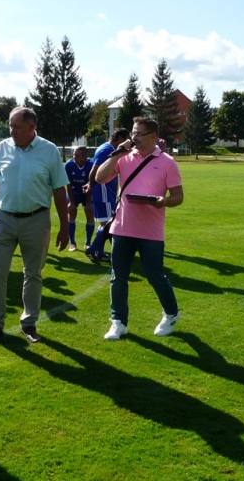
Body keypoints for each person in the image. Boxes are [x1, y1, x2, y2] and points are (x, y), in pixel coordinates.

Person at [0, 107, 69, 346]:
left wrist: (65, 227)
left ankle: (29, 323)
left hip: (37, 221)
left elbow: (60, 190)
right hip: (4, 219)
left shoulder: (49, 151)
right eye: (10, 125)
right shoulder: (2, 148)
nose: (11, 130)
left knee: (33, 274)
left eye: (16, 126)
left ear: (31, 127)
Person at [94, 116, 184, 341]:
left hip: (151, 232)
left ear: (153, 136)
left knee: (155, 276)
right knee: (118, 277)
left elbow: (178, 196)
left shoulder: (167, 162)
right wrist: (117, 153)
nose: (134, 138)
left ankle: (171, 314)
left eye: (138, 134)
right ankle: (118, 323)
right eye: (133, 133)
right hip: (122, 228)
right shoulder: (124, 158)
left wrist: (162, 201)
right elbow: (100, 177)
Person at [85, 128, 131, 264]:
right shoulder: (106, 149)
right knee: (108, 224)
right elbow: (94, 169)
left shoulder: (108, 148)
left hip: (107, 191)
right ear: (119, 138)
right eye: (125, 139)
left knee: (106, 223)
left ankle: (99, 252)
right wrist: (91, 186)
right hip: (103, 190)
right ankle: (92, 249)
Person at [64, 146, 94, 252]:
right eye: (74, 155)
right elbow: (68, 184)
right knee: (71, 214)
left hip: (87, 194)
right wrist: (71, 202)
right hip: (74, 193)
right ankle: (72, 243)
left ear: (85, 157)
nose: (74, 158)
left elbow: (91, 185)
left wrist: (89, 203)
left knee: (90, 214)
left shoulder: (91, 165)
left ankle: (88, 243)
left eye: (77, 156)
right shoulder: (69, 165)